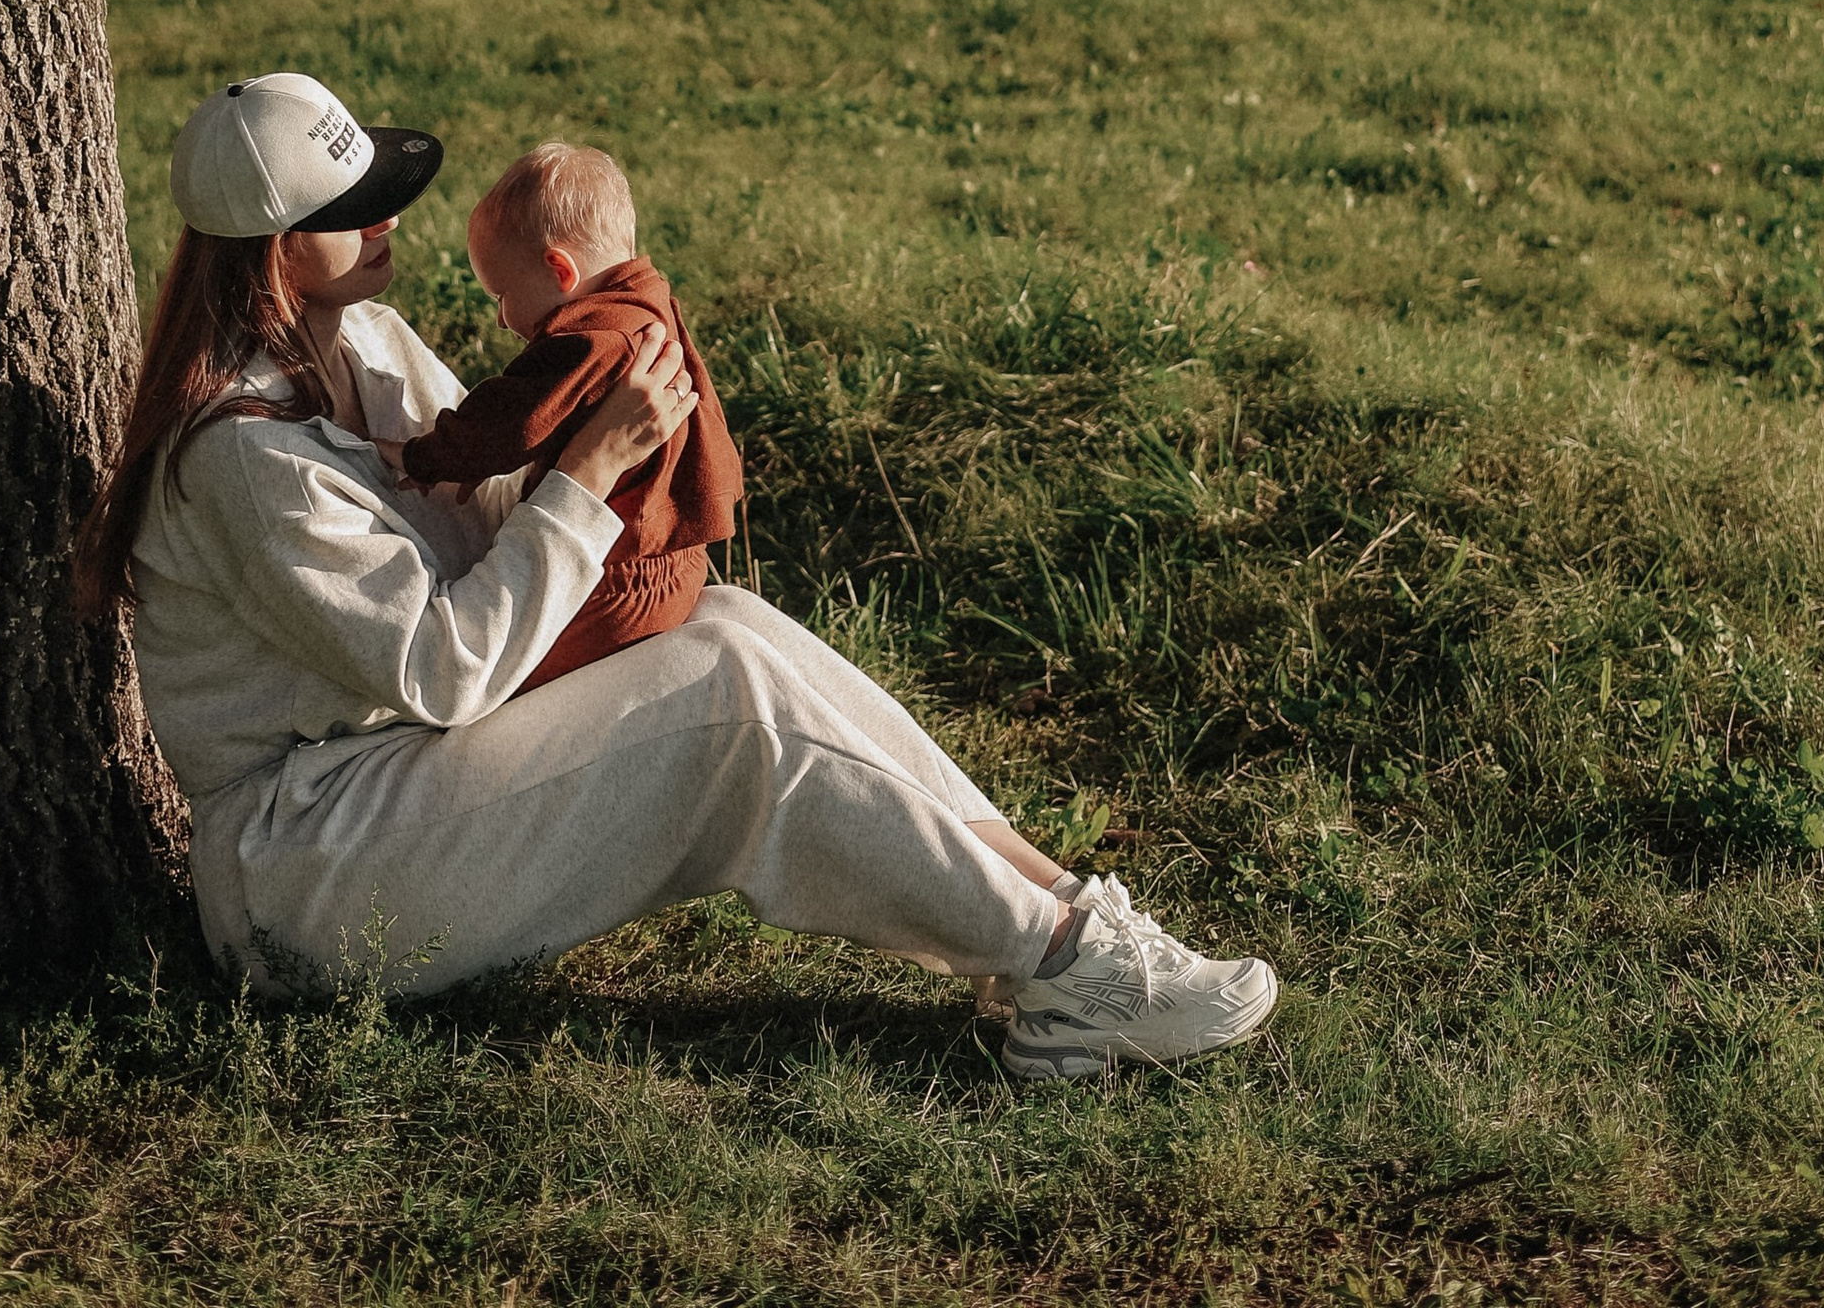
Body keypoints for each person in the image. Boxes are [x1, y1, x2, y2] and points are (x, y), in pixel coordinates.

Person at [80, 69, 1279, 1084]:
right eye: (359, 205)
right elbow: (442, 668)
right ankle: (1070, 970)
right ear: (281, 253)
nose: (393, 216)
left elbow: (498, 501)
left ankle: (1061, 925)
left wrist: (593, 431)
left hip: (402, 783)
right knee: (727, 704)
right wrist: (592, 469)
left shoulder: (371, 348)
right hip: (311, 869)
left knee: (729, 623)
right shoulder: (243, 457)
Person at [396, 142, 740, 695]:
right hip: (676, 562)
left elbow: (514, 419)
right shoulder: (648, 304)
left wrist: (431, 457)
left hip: (616, 584)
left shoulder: (592, 338)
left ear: (560, 269)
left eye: (501, 294)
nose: (502, 317)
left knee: (510, 678)